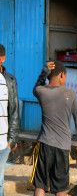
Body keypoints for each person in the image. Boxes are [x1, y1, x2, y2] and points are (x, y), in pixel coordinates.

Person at [31, 61, 77, 196]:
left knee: (40, 186)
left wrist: (44, 72)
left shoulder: (41, 92)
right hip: (62, 147)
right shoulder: (70, 94)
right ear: (62, 75)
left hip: (44, 144)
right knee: (61, 189)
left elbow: (36, 87)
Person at [0, 44, 19, 196]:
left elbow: (14, 111)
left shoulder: (10, 81)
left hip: (3, 142)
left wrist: (11, 140)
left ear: (3, 59)